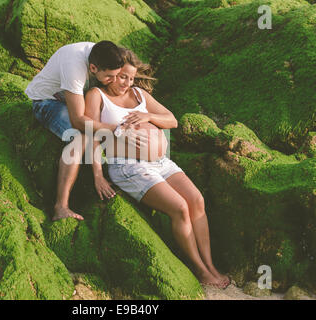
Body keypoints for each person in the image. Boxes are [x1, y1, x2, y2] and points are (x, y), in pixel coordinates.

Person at [84, 48, 231, 289]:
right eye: (123, 77)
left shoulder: (139, 94)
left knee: (196, 200)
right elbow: (90, 133)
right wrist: (98, 175)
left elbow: (172, 120)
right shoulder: (97, 95)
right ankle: (200, 270)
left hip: (162, 162)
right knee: (180, 208)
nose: (126, 83)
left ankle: (211, 265)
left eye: (131, 78)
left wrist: (147, 117)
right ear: (113, 72)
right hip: (129, 166)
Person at [26, 41, 146, 221]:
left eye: (117, 76)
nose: (113, 81)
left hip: (74, 99)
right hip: (47, 101)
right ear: (93, 67)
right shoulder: (74, 66)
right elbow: (78, 121)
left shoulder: (106, 54)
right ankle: (61, 206)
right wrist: (117, 129)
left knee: (99, 122)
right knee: (80, 137)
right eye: (109, 77)